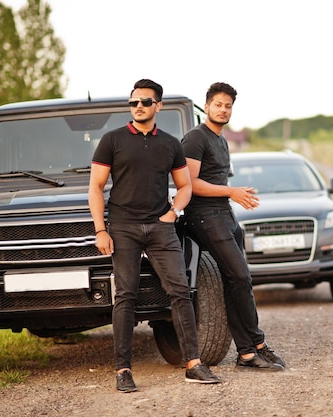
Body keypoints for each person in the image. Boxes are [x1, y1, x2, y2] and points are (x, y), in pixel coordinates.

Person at [89, 79, 221, 392]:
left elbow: (185, 185)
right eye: (134, 102)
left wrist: (173, 213)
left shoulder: (171, 144)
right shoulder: (113, 140)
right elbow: (95, 187)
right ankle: (123, 369)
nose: (138, 107)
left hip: (161, 226)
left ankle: (193, 363)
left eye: (145, 102)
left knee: (180, 290)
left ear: (157, 106)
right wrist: (100, 230)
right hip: (124, 227)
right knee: (126, 295)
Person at [181, 82, 286, 371]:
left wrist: (231, 198)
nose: (223, 109)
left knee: (239, 281)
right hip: (203, 216)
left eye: (228, 106)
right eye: (218, 104)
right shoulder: (195, 138)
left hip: (225, 214)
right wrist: (232, 192)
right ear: (208, 105)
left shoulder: (222, 140)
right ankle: (254, 345)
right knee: (239, 277)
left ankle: (249, 351)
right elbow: (189, 183)